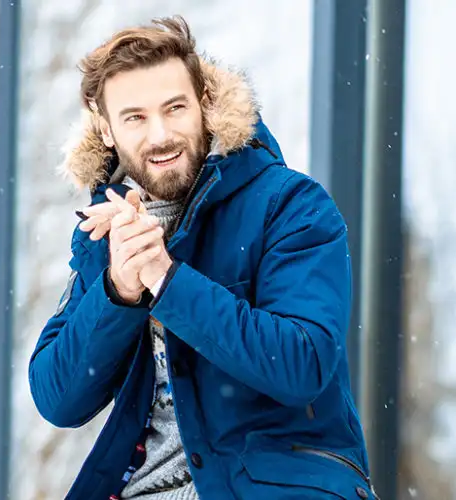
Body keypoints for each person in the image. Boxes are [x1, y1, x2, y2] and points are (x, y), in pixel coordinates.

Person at [27, 15, 373, 500]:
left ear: (205, 104)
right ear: (106, 130)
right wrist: (119, 290)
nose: (161, 134)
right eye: (136, 118)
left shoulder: (291, 206)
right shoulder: (105, 234)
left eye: (175, 108)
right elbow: (57, 397)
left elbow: (303, 364)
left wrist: (167, 281)